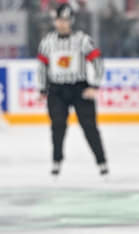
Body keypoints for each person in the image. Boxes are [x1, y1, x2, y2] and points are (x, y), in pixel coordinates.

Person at [37, 3, 108, 176]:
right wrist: (42, 89)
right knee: (58, 125)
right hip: (57, 90)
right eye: (60, 20)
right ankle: (57, 160)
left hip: (79, 88)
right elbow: (42, 66)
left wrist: (94, 85)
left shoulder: (82, 39)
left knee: (89, 126)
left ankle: (101, 161)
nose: (62, 23)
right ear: (55, 21)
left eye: (66, 20)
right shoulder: (47, 42)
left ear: (71, 21)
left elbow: (97, 60)